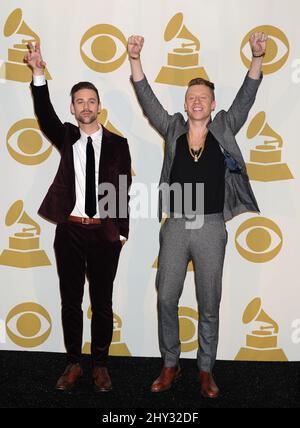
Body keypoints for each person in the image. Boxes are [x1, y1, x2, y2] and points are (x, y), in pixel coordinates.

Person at [128, 32, 267, 398]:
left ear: (211, 102)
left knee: (209, 302)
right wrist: (136, 59)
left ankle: (206, 370)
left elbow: (245, 99)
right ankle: (170, 364)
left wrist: (256, 57)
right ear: (186, 103)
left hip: (210, 226)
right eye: (191, 97)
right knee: (165, 298)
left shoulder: (224, 126)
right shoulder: (172, 126)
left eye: (203, 97)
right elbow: (148, 101)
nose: (196, 102)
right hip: (175, 224)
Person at [25, 43, 131, 392]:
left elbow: (123, 189)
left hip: (104, 233)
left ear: (99, 106)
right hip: (69, 231)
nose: (86, 106)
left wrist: (122, 233)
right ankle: (73, 363)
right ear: (72, 109)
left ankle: (99, 365)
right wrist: (38, 72)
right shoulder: (67, 136)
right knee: (70, 301)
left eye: (91, 101)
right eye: (79, 102)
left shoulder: (119, 143)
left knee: (102, 303)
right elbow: (43, 113)